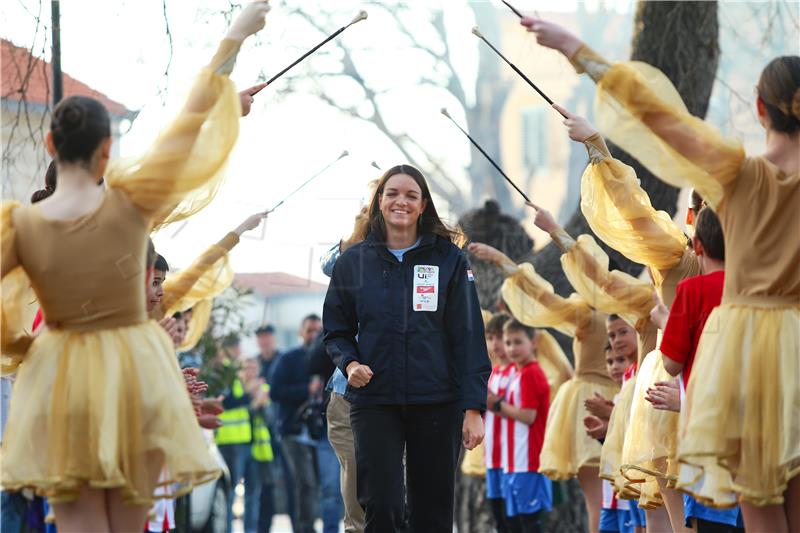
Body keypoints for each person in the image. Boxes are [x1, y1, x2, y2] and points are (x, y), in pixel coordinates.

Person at [0, 4, 269, 530]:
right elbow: (189, 122)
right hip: (136, 375)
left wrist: (27, 348)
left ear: (51, 144)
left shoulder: (22, 227)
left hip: (60, 382)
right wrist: (235, 35)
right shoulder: (129, 204)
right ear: (107, 151)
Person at [525, 18, 799, 529]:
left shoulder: (741, 174)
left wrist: (578, 53)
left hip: (749, 349)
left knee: (760, 508)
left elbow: (665, 121)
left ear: (760, 109)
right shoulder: (692, 247)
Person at [323, 164, 491, 533]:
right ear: (379, 202)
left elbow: (469, 337)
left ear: (423, 205)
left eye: (411, 195)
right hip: (374, 400)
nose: (401, 201)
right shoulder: (353, 262)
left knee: (431, 514)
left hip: (436, 401)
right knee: (381, 507)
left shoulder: (448, 259)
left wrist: (474, 407)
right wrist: (350, 363)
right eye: (392, 193)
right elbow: (335, 330)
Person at [470, 239, 620, 533]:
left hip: (601, 401)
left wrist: (505, 262)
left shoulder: (591, 316)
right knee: (618, 498)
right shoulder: (630, 311)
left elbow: (543, 297)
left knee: (603, 500)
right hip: (620, 401)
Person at [648, 208, 744, 533]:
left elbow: (672, 362)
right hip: (758, 432)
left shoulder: (692, 290)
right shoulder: (757, 288)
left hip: (708, 432)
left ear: (697, 245)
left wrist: (665, 322)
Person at [492, 319, 552, 533]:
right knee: (514, 524)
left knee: (529, 524)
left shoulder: (531, 373)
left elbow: (528, 416)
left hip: (529, 461)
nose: (512, 348)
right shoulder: (518, 373)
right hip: (514, 461)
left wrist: (497, 404)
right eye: (508, 343)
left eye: (518, 342)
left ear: (533, 342)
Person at [269, 314, 323, 533]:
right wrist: (306, 390)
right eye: (309, 330)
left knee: (315, 486)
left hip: (318, 433)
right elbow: (275, 391)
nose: (313, 335)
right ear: (301, 332)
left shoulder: (326, 357)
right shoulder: (289, 358)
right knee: (305, 484)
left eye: (317, 331)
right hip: (292, 431)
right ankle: (304, 529)